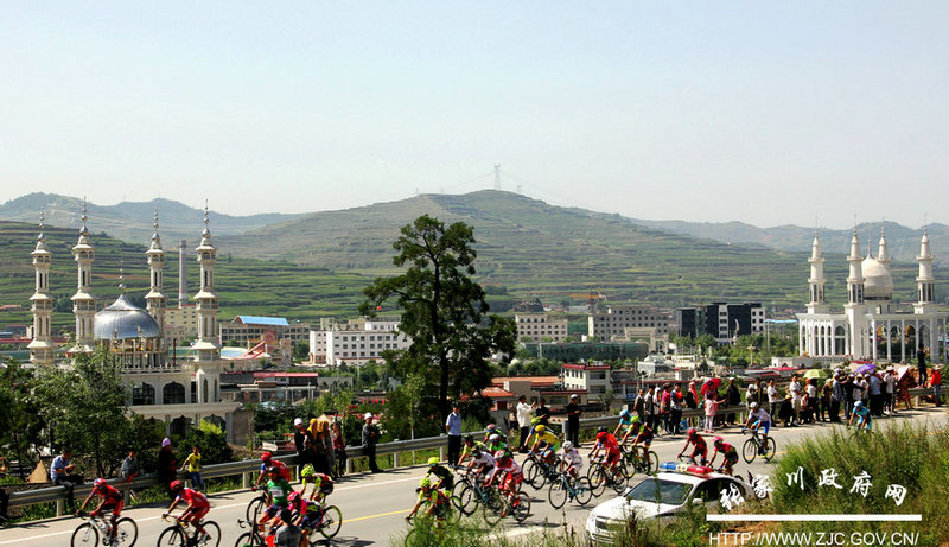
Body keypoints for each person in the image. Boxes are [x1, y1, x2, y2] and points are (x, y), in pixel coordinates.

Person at [259, 466, 294, 532]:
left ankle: (273, 535)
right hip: (274, 505)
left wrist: (291, 502)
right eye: (269, 474)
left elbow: (292, 492)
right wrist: (267, 508)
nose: (271, 476)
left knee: (272, 524)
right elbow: (269, 497)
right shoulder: (270, 484)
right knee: (262, 520)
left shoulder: (283, 483)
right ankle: (262, 536)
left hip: (282, 506)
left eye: (273, 474)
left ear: (277, 475)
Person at [445, 404, 462, 471]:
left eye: (458, 408)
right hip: (452, 435)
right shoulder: (450, 416)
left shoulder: (459, 416)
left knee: (456, 450)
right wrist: (451, 431)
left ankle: (456, 463)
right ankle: (450, 463)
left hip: (458, 435)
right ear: (453, 409)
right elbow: (447, 426)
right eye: (456, 408)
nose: (457, 410)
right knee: (450, 450)